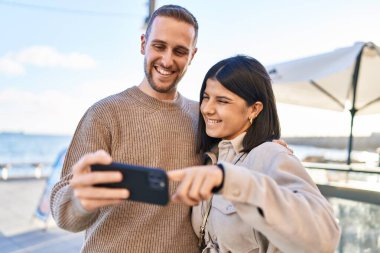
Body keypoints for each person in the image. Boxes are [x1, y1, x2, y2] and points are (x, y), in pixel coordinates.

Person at [50, 5, 202, 252]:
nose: (167, 60)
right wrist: (80, 201)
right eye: (159, 46)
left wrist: (268, 143)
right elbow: (64, 211)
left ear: (192, 56)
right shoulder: (104, 113)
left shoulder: (202, 117)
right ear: (143, 44)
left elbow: (237, 159)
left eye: (180, 51)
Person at [168, 55, 341, 253]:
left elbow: (324, 238)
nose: (207, 109)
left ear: (254, 109)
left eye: (222, 101)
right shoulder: (212, 158)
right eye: (206, 97)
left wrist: (234, 182)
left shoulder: (271, 154)